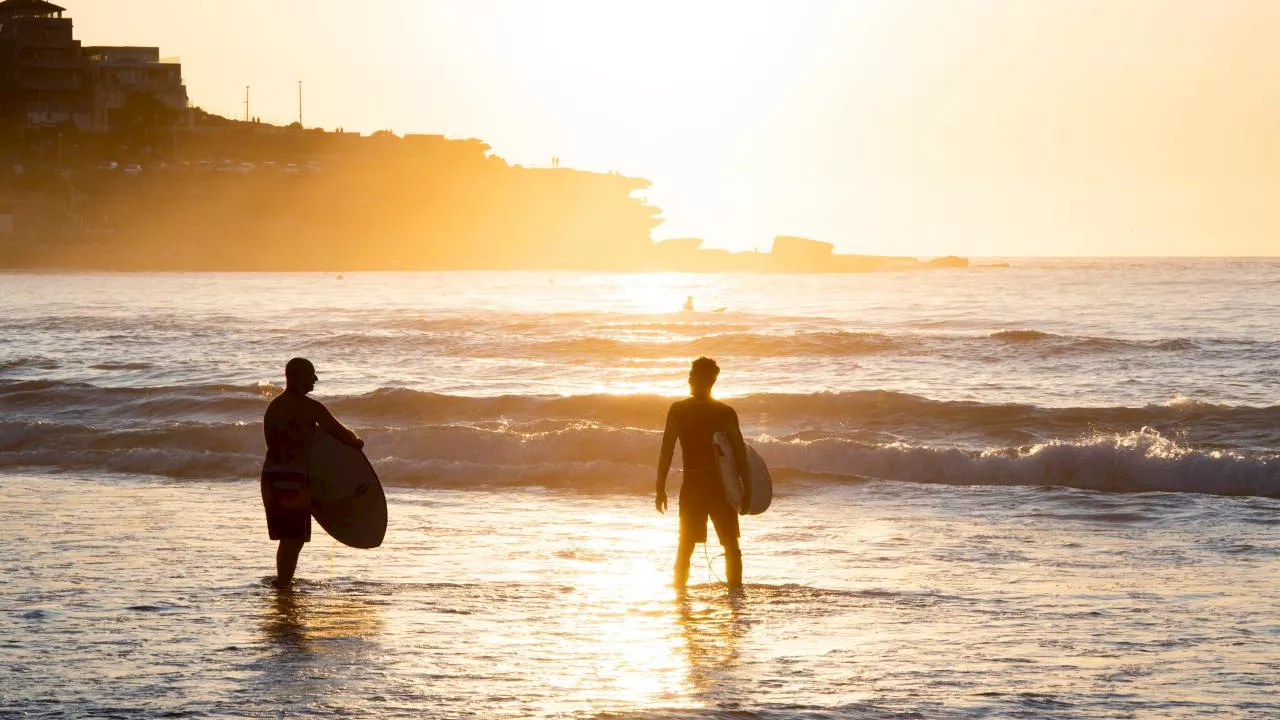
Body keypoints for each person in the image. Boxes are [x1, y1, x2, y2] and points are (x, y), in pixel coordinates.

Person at [261, 357, 364, 586]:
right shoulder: (311, 407)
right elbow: (343, 434)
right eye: (311, 375)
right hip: (294, 481)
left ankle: (282, 582)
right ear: (295, 377)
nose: (316, 379)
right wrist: (358, 442)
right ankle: (284, 586)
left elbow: (271, 443)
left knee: (287, 538)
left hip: (271, 478)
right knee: (294, 538)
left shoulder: (274, 407)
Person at [656, 357, 751, 593]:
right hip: (697, 487)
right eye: (690, 374)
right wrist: (659, 487)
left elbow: (741, 455)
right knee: (687, 544)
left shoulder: (723, 413)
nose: (689, 378)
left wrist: (748, 489)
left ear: (709, 380)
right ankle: (680, 595)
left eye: (694, 374)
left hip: (717, 488)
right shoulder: (682, 410)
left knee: (729, 545)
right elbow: (666, 449)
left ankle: (735, 595)